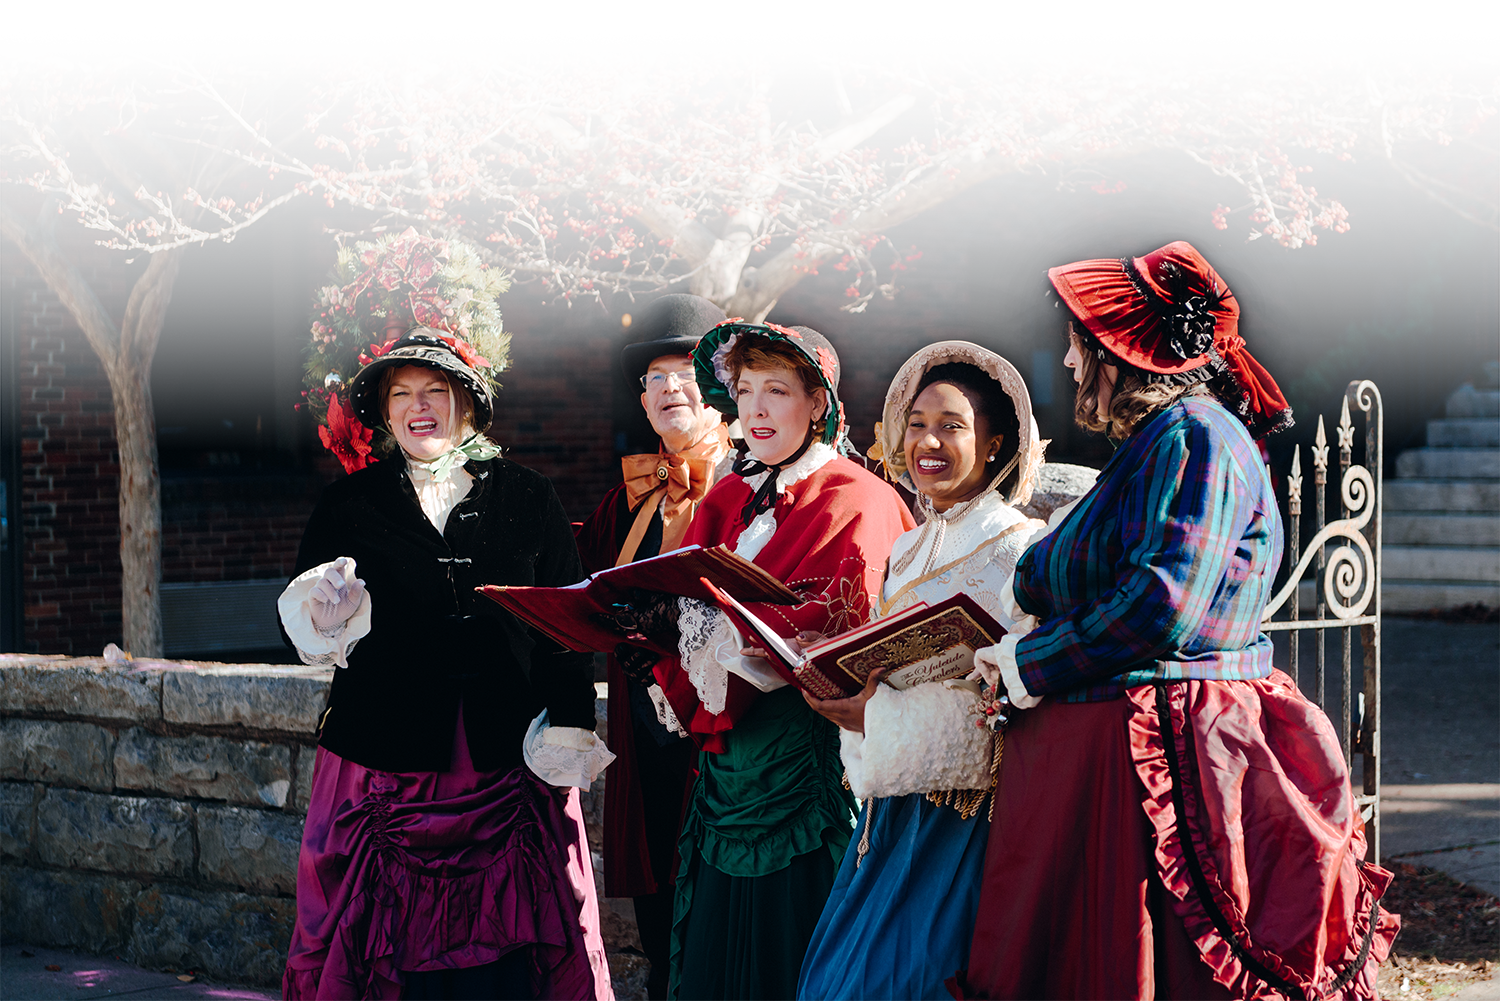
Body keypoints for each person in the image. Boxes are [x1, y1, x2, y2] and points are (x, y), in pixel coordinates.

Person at [950, 242, 1399, 1001]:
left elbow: (1166, 602)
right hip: (1094, 763)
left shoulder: (1197, 436)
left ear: (1120, 355)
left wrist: (1030, 662)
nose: (1065, 363)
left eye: (1076, 345)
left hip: (1160, 752)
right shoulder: (1154, 444)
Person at [279, 328, 616, 1001]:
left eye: (435, 389)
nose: (419, 405)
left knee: (516, 957)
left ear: (466, 401)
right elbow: (309, 628)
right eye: (402, 393)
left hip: (509, 763)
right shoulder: (347, 506)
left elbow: (569, 627)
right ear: (384, 410)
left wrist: (573, 723)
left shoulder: (529, 496)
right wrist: (327, 609)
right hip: (383, 765)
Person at [631, 321, 915, 1001]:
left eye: (777, 391)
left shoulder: (859, 495)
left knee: (803, 952)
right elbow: (690, 611)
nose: (754, 410)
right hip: (726, 770)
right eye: (745, 389)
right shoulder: (727, 496)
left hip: (810, 758)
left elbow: (844, 629)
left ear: (818, 402)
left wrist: (725, 638)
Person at [795, 342, 1047, 1001]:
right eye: (916, 422)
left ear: (994, 444)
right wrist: (849, 682)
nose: (927, 440)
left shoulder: (1018, 546)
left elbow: (1019, 702)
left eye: (952, 425)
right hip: (887, 814)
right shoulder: (907, 547)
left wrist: (876, 716)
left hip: (965, 825)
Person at [574, 293, 729, 1001]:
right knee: (660, 924)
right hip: (644, 741)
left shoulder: (753, 485)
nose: (671, 389)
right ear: (642, 402)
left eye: (686, 373)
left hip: (725, 741)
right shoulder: (622, 504)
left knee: (723, 925)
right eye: (657, 379)